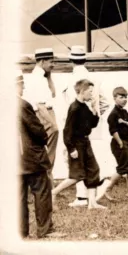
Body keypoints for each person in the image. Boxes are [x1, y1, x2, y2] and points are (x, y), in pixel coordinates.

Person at [17, 72, 64, 239]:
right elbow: (38, 130)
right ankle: (45, 230)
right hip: (31, 158)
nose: (23, 87)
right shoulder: (21, 104)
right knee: (42, 192)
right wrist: (45, 138)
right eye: (21, 84)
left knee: (19, 197)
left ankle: (21, 232)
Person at [61, 46, 110, 207]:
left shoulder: (70, 80)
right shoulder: (92, 79)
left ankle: (81, 197)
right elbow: (104, 102)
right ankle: (88, 198)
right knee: (89, 163)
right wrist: (94, 114)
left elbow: (68, 107)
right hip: (89, 126)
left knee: (74, 162)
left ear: (70, 60)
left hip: (73, 128)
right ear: (85, 59)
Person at [51, 79, 106, 210]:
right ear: (82, 91)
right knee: (77, 175)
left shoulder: (84, 107)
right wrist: (71, 149)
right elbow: (67, 131)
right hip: (76, 144)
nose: (92, 95)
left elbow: (92, 124)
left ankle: (92, 203)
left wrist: (94, 109)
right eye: (90, 92)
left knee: (93, 170)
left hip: (86, 142)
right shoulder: (74, 108)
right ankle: (53, 193)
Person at [98, 87, 128, 201]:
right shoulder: (113, 114)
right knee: (122, 168)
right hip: (119, 143)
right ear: (114, 98)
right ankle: (107, 189)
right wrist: (120, 142)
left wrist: (124, 122)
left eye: (125, 97)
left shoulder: (124, 112)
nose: (124, 99)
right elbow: (113, 131)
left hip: (125, 141)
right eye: (121, 97)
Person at [23, 48, 58, 184]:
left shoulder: (43, 76)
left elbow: (53, 93)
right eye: (51, 61)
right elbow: (41, 105)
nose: (53, 64)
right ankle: (46, 181)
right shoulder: (37, 78)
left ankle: (47, 180)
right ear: (42, 61)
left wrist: (49, 75)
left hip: (45, 113)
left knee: (47, 152)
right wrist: (53, 125)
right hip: (43, 114)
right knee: (47, 152)